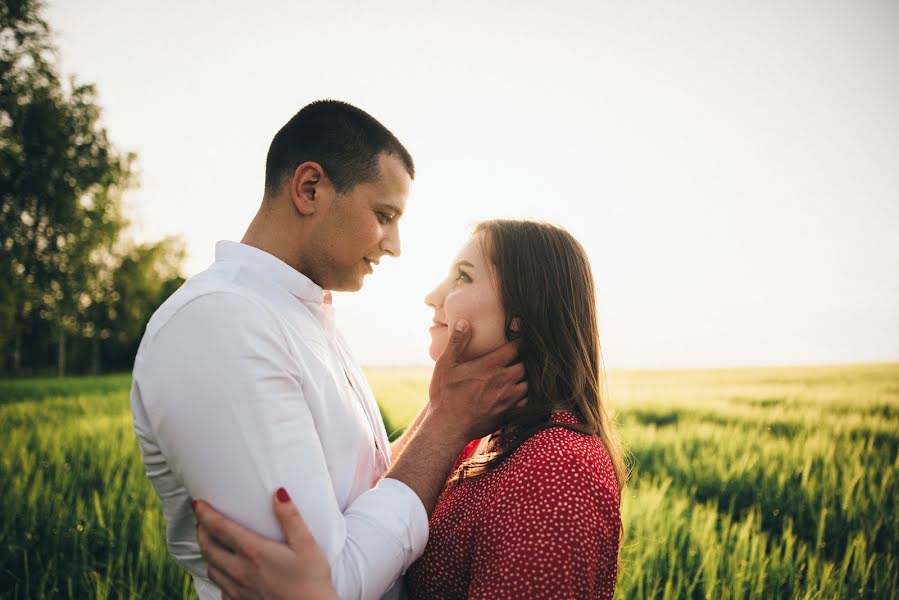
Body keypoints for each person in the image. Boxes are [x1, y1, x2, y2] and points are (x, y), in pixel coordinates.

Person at [130, 101, 527, 600]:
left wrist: (443, 408)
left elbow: (364, 495)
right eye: (384, 215)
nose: (395, 245)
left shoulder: (302, 314)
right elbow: (327, 585)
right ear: (309, 188)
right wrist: (447, 423)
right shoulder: (220, 323)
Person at [195, 220, 628, 599]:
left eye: (463, 277)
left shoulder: (556, 470)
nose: (432, 296)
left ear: (521, 314)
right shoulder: (482, 437)